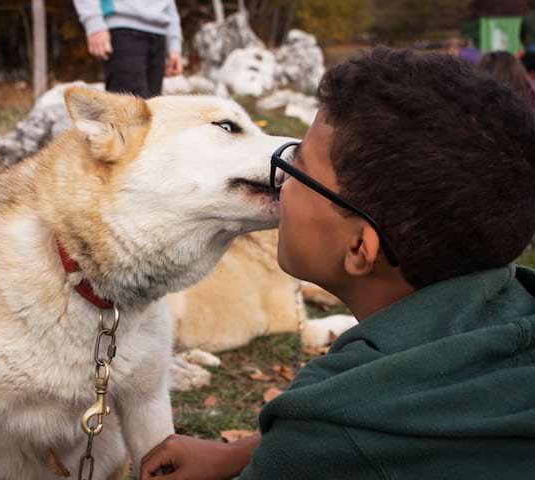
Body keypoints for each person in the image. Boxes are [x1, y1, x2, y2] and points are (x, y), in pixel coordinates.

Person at [140, 48, 535, 479]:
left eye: (300, 170)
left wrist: (289, 442)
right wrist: (243, 451)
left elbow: (336, 437)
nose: (281, 181)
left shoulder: (325, 435)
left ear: (359, 250)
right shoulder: (520, 310)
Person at [73, 0, 183, 98]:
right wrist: (94, 24)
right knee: (128, 115)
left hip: (160, 33)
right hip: (123, 30)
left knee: (151, 113)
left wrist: (174, 45)